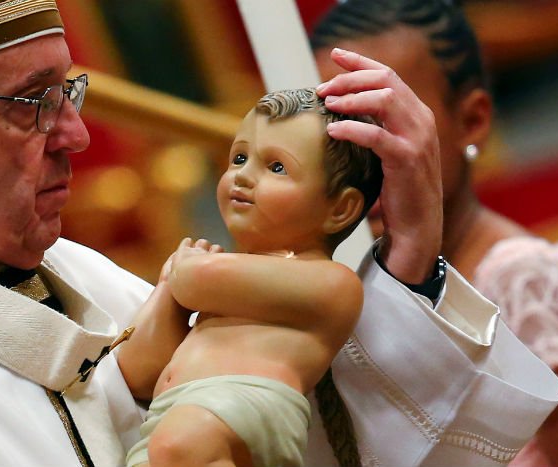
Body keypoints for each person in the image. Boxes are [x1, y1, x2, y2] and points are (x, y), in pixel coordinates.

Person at [0, 1, 558, 466]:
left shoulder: (85, 277)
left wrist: (404, 269)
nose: (76, 134)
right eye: (32, 103)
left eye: (68, 93)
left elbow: (300, 437)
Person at [312, 1, 558, 465]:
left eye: (386, 123)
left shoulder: (522, 280)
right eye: (340, 128)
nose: (363, 157)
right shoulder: (354, 278)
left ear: (472, 120)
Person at [117, 88, 383, 467]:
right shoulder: (222, 285)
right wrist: (166, 292)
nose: (242, 176)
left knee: (182, 442)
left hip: (244, 406)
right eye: (239, 158)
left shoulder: (332, 284)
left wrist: (185, 272)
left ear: (339, 209)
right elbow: (138, 373)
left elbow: (195, 279)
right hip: (168, 421)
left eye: (276, 167)